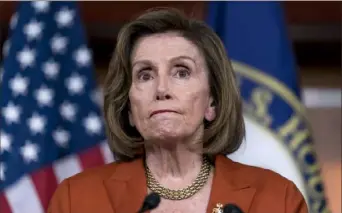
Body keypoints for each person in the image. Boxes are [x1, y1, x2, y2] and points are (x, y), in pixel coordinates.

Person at [48, 8, 308, 213]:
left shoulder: (275, 199)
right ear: (128, 107)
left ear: (212, 103)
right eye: (145, 75)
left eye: (181, 72)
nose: (162, 89)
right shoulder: (78, 199)